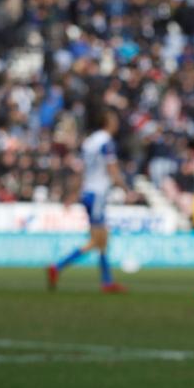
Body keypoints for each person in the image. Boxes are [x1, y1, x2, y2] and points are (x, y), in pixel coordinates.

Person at [47, 105, 131, 293]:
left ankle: (107, 281)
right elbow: (112, 169)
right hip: (98, 194)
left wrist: (74, 193)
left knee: (103, 239)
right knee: (97, 240)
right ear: (107, 122)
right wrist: (126, 188)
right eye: (114, 119)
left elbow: (82, 171)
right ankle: (57, 267)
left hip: (87, 193)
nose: (116, 123)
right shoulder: (106, 141)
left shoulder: (89, 142)